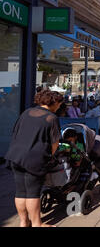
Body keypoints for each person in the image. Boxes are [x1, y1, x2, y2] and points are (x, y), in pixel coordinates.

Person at [5, 90, 63, 227]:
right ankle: (37, 224)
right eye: (59, 104)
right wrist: (51, 156)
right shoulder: (51, 118)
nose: (59, 107)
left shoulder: (26, 113)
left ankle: (23, 222)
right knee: (33, 192)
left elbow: (15, 132)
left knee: (20, 191)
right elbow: (55, 144)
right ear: (53, 102)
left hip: (16, 156)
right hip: (34, 159)